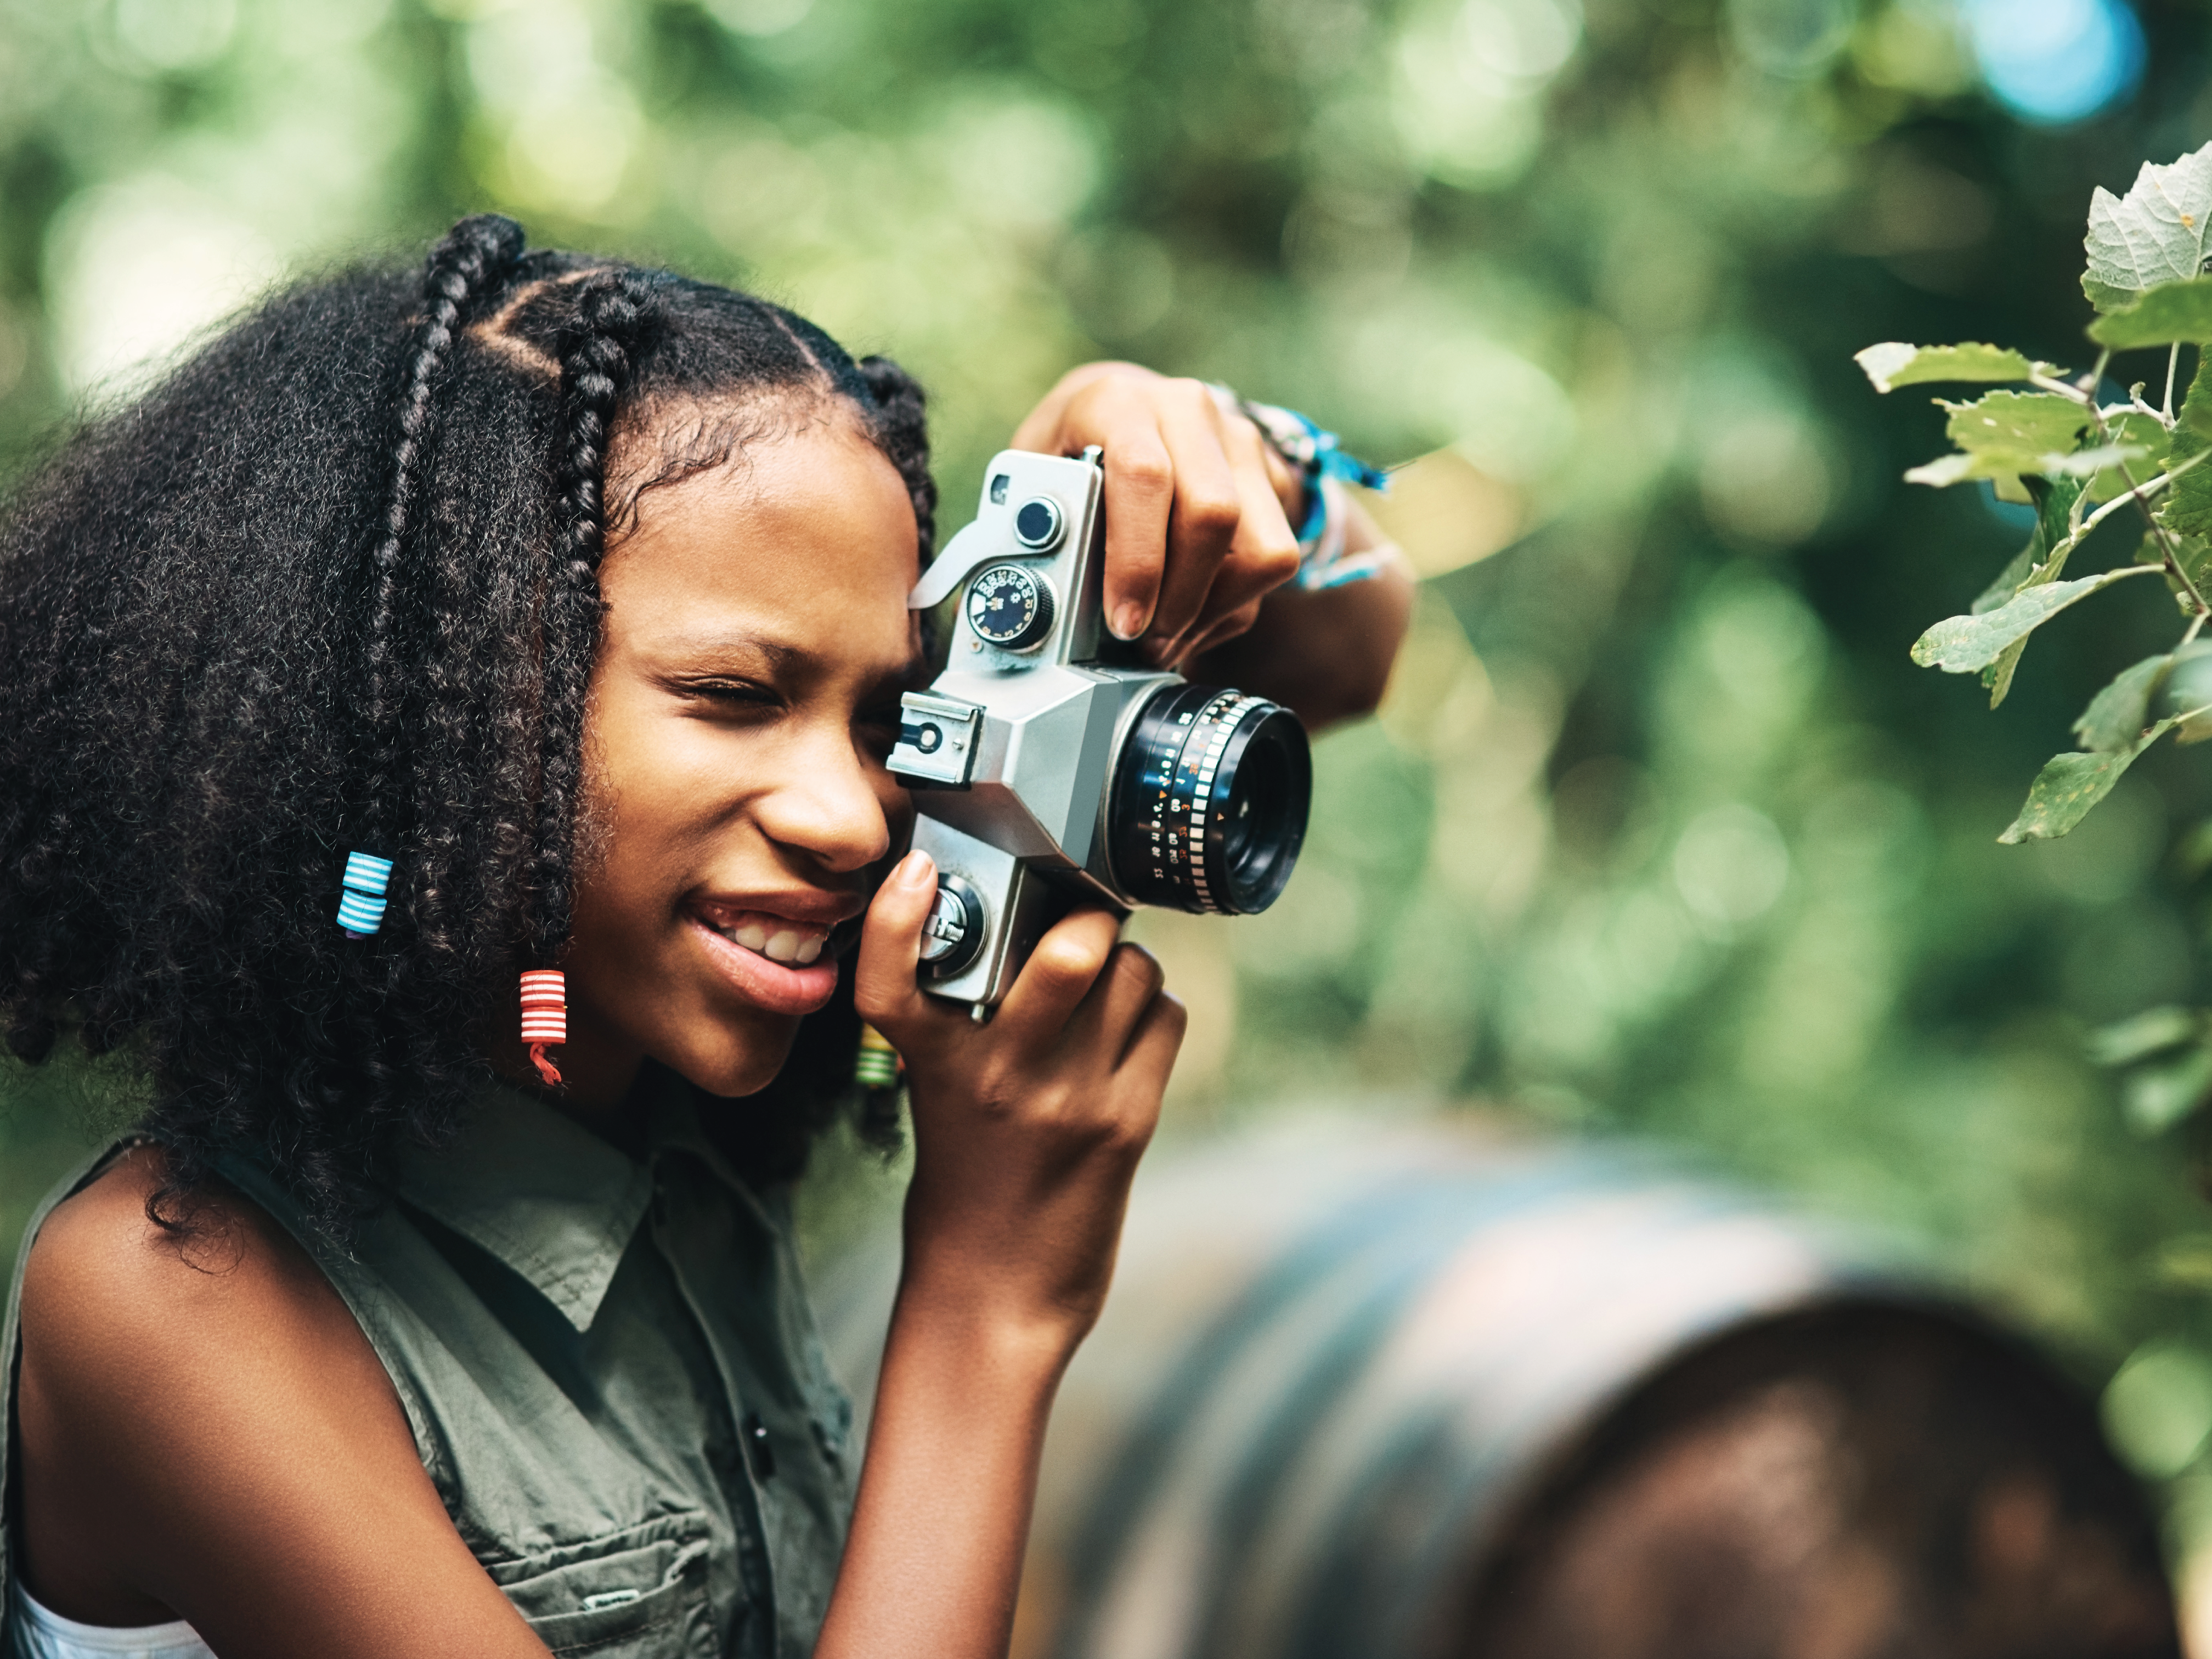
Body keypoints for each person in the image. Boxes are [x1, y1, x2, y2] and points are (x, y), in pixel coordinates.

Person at [0, 215, 1412, 1659]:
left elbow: (1357, 642)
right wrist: (989, 1302)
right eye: (738, 696)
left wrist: (1212, 454)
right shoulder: (168, 1294)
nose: (858, 818)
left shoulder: (635, 1099)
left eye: (887, 719)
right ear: (441, 712)